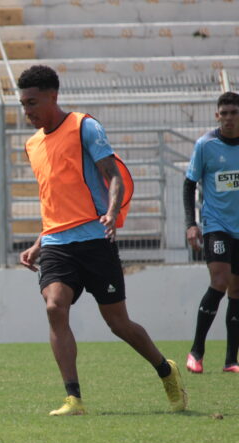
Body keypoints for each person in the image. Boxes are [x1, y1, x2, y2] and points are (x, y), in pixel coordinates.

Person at [16, 65, 187, 415]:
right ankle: (73, 398)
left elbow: (113, 177)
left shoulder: (84, 127)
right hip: (56, 244)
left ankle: (165, 370)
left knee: (118, 323)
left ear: (53, 96)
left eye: (32, 103)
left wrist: (110, 213)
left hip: (95, 239)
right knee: (54, 306)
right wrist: (39, 241)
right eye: (23, 105)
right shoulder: (32, 145)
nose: (27, 112)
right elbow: (54, 200)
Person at [183, 91, 239, 374]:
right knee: (220, 280)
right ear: (217, 115)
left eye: (234, 112)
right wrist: (191, 224)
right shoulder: (206, 145)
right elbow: (189, 183)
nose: (229, 118)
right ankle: (196, 352)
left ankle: (231, 360)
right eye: (224, 113)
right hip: (217, 226)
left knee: (237, 289)